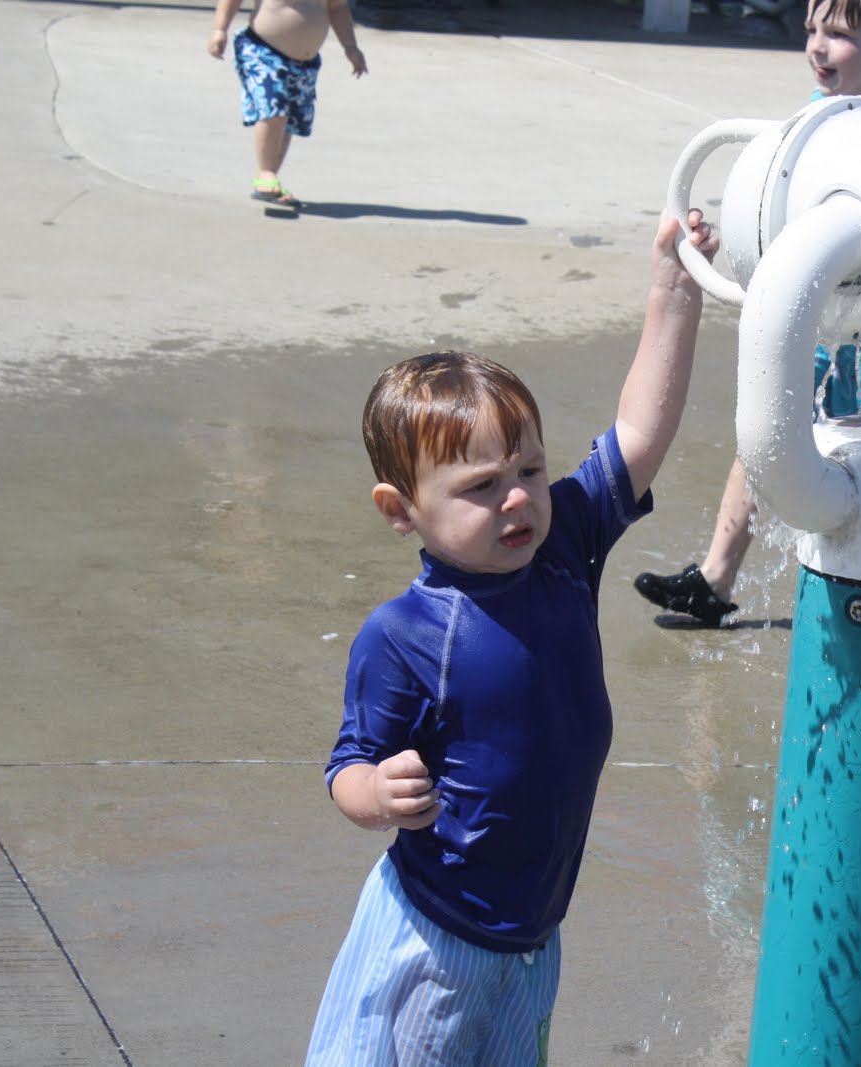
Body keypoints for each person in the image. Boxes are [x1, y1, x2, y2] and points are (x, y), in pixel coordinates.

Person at [304, 211, 719, 1065]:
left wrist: (675, 292)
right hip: (433, 946)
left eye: (529, 469)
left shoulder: (563, 550)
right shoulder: (405, 635)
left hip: (532, 942)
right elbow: (348, 764)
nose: (520, 497)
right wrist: (375, 794)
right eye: (482, 486)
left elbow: (640, 435)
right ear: (401, 510)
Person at [632, 0, 861, 627]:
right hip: (816, 314)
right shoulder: (820, 112)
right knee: (768, 430)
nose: (816, 45)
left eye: (837, 33)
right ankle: (714, 580)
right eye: (811, 28)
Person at [206, 0, 368, 209]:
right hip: (262, 49)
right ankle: (266, 174)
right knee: (275, 108)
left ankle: (270, 177)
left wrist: (350, 47)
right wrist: (219, 29)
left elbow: (337, 8)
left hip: (305, 63)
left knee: (288, 119)